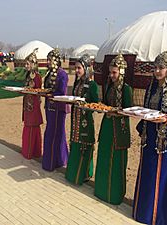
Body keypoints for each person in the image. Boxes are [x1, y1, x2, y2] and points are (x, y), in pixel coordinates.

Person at [132, 50, 167, 225]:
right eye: (155, 68)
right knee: (147, 173)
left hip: (165, 142)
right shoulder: (151, 88)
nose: (157, 71)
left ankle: (162, 217)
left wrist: (166, 119)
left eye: (161, 68)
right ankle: (144, 214)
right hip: (149, 138)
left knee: (163, 176)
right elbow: (146, 109)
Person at [94, 53, 133, 205]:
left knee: (116, 160)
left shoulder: (127, 89)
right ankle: (102, 191)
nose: (111, 75)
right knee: (104, 155)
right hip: (107, 125)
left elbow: (128, 111)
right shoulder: (108, 85)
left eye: (114, 72)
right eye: (110, 72)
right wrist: (101, 107)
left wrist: (115, 111)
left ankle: (114, 195)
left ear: (121, 71)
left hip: (120, 129)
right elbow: (104, 102)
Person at [65, 54, 99, 185]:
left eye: (79, 68)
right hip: (75, 120)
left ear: (85, 68)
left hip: (85, 121)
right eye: (76, 68)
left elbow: (96, 104)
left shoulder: (92, 85)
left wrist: (84, 104)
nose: (77, 71)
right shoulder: (77, 83)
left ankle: (84, 174)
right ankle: (73, 174)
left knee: (85, 145)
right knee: (75, 143)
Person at [42, 48, 69, 171]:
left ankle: (54, 162)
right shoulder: (48, 73)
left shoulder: (62, 74)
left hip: (59, 108)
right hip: (49, 106)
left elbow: (62, 92)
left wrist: (50, 94)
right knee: (51, 132)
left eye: (50, 60)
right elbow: (47, 87)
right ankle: (56, 160)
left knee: (55, 133)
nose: (48, 62)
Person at [21, 48, 43, 159]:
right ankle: (27, 151)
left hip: (33, 105)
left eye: (28, 64)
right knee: (28, 126)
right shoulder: (27, 75)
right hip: (27, 104)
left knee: (32, 126)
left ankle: (32, 152)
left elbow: (38, 90)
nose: (26, 66)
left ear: (33, 64)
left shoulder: (37, 76)